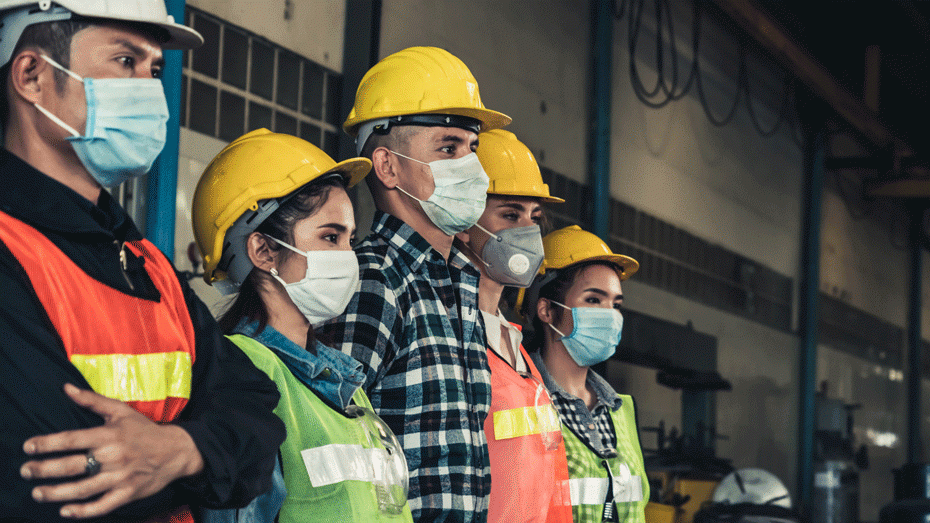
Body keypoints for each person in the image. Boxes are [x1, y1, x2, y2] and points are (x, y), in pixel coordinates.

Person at [0, 2, 284, 521]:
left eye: (154, 69)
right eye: (126, 61)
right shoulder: (10, 253)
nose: (150, 90)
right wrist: (202, 455)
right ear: (32, 76)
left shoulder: (145, 263)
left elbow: (260, 428)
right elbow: (51, 482)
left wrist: (177, 452)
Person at [319, 46, 510, 523]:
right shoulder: (372, 281)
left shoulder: (462, 282)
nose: (472, 169)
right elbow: (341, 449)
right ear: (386, 167)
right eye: (448, 148)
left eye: (472, 149)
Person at [191, 128, 414, 523]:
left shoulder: (341, 382)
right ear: (262, 251)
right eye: (330, 237)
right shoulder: (244, 374)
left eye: (350, 239)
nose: (349, 257)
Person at [456, 129, 572, 523]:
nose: (527, 230)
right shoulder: (450, 337)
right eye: (510, 214)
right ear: (464, 221)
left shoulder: (516, 346)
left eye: (534, 217)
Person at [522, 225, 650, 522]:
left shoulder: (621, 409)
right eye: (594, 300)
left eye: (616, 304)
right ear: (547, 311)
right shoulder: (522, 403)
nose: (610, 314)